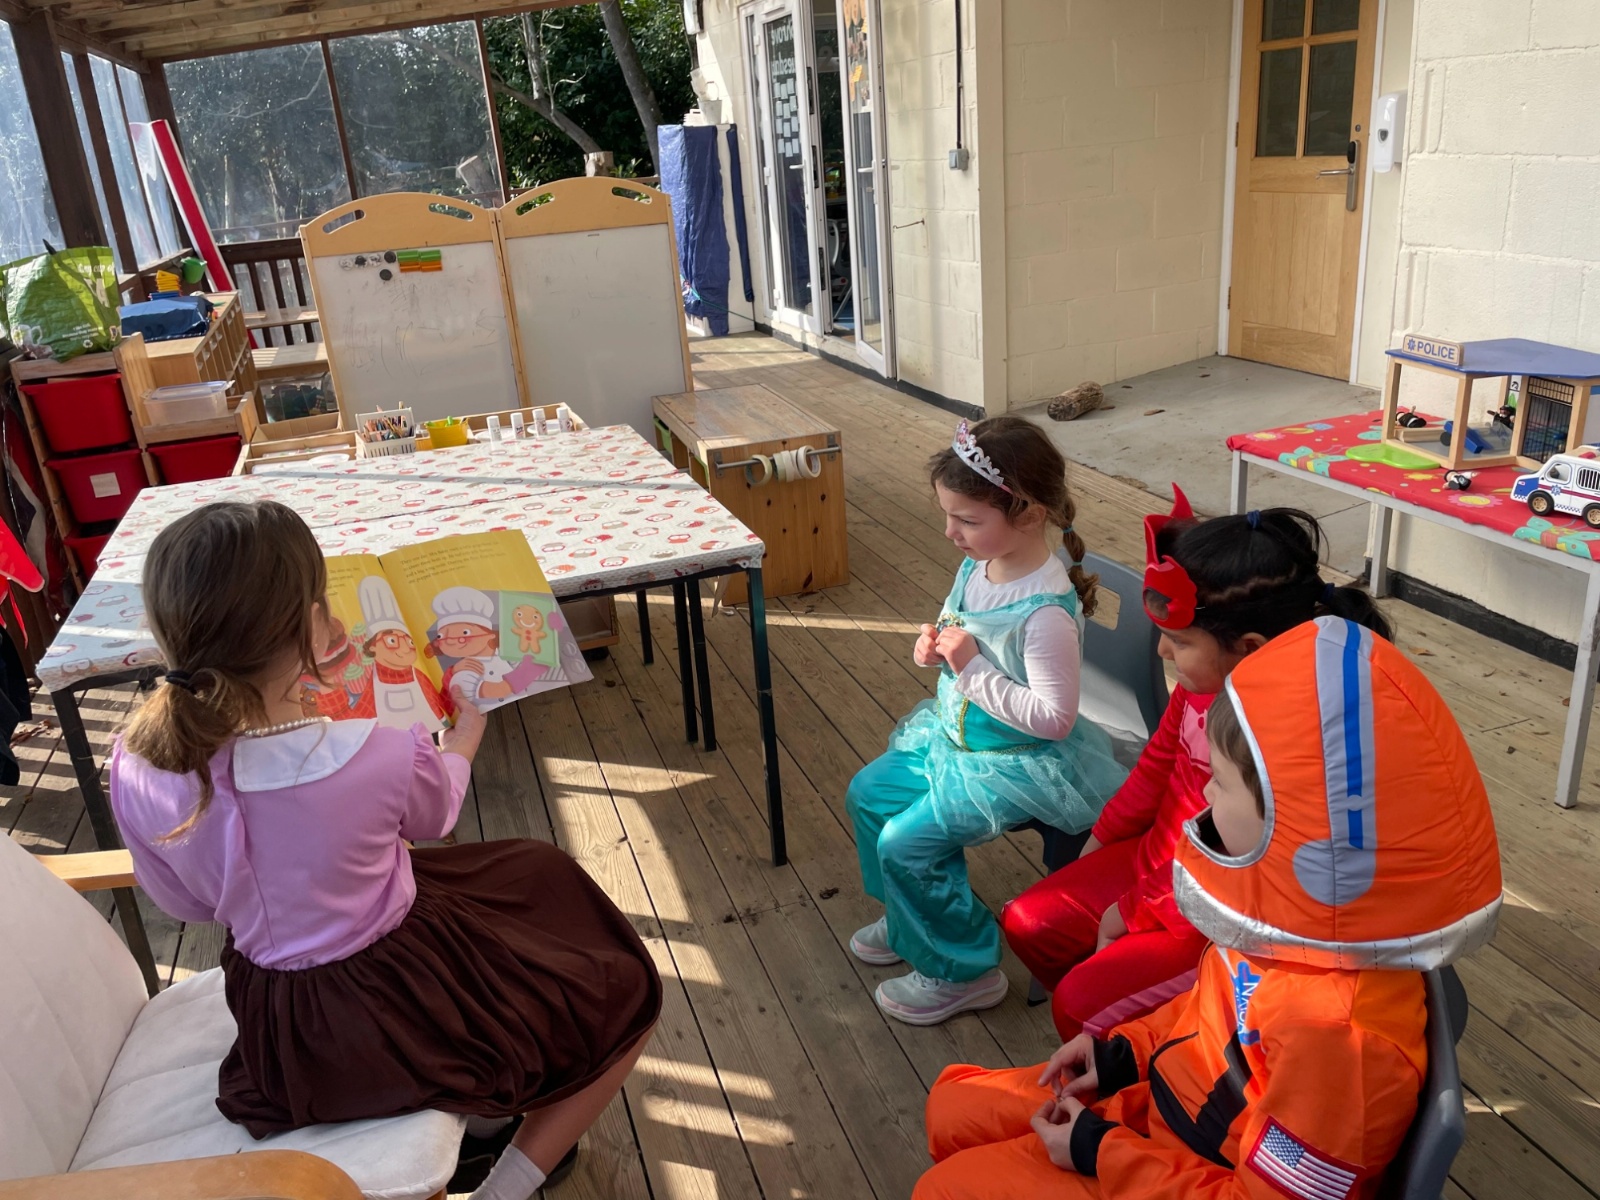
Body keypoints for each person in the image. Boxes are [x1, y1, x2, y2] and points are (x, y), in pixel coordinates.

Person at [109, 501, 661, 1200]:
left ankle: (484, 1125)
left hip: (282, 1033)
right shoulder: (374, 746)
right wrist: (463, 739)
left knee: (521, 879)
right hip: (401, 998)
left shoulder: (137, 762)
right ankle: (506, 1185)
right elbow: (437, 813)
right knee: (619, 981)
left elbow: (185, 903)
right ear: (316, 624)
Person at [915, 616, 1503, 1199]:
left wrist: (1100, 1151)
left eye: (1219, 782)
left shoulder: (1343, 1046)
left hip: (1178, 1163)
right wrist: (1122, 1053)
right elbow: (1204, 1019)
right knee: (950, 1104)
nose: (1205, 794)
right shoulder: (1282, 921)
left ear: (1297, 826)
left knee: (944, 1189)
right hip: (1159, 1115)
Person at [1001, 490, 1394, 1041]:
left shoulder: (1288, 737)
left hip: (1212, 917)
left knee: (1080, 1005)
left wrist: (1132, 912)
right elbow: (1158, 764)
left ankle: (1148, 1053)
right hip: (1159, 864)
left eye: (1178, 641)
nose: (1162, 652)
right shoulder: (1201, 683)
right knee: (1029, 923)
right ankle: (1122, 1038)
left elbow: (1237, 867)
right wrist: (1100, 842)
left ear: (1250, 648)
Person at [846, 416, 1127, 1025]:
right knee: (868, 794)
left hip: (1016, 763)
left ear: (1029, 514)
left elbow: (1053, 718)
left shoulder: (1045, 615)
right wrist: (935, 648)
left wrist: (970, 668)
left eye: (967, 520)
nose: (951, 532)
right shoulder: (979, 565)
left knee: (906, 843)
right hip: (954, 740)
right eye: (948, 516)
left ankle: (965, 970)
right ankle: (911, 920)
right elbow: (960, 631)